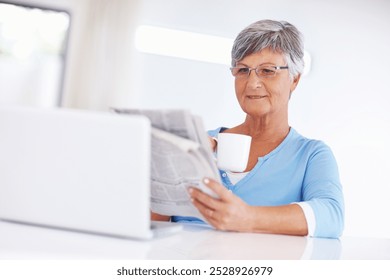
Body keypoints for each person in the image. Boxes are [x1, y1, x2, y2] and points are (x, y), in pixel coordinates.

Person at [152, 19, 344, 238]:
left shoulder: (311, 155)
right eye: (243, 70)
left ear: (294, 79)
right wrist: (165, 168)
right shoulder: (198, 144)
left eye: (268, 70)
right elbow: (155, 226)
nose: (252, 83)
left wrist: (248, 218)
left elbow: (332, 216)